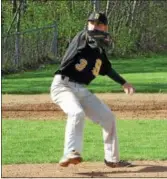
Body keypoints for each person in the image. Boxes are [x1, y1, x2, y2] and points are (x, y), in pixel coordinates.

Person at [50, 12, 135, 167]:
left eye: (98, 24)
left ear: (105, 27)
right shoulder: (82, 37)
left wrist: (124, 83)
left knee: (108, 118)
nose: (94, 26)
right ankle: (70, 152)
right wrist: (95, 36)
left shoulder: (99, 52)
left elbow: (107, 69)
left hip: (80, 89)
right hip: (62, 85)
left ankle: (112, 159)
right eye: (92, 23)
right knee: (76, 113)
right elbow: (89, 38)